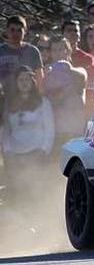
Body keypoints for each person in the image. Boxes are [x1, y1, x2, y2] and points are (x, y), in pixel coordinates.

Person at [1, 66, 55, 216]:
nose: (24, 83)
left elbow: (50, 128)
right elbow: (5, 130)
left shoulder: (43, 102)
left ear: (33, 81)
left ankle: (37, 223)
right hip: (15, 155)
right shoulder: (9, 103)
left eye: (27, 79)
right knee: (17, 194)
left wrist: (44, 150)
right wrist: (7, 151)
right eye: (20, 79)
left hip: (36, 153)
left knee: (35, 192)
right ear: (16, 82)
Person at [45, 37, 87, 159]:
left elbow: (82, 77)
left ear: (68, 51)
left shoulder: (78, 71)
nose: (58, 53)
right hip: (55, 130)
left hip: (74, 129)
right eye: (54, 50)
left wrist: (67, 68)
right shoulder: (48, 74)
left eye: (61, 49)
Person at [0, 15, 43, 99]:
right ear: (7, 31)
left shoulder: (32, 51)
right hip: (4, 99)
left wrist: (39, 99)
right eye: (12, 30)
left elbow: (40, 79)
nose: (15, 33)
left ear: (25, 32)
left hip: (27, 99)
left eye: (19, 30)